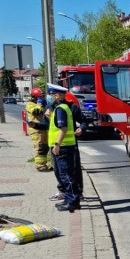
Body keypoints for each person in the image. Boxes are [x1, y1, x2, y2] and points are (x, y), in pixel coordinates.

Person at [46, 84, 81, 212]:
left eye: (52, 95)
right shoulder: (60, 108)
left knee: (66, 175)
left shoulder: (61, 108)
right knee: (63, 175)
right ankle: (68, 199)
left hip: (63, 147)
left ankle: (73, 201)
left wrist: (57, 144)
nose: (50, 97)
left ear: (58, 95)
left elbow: (63, 128)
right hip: (64, 146)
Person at [25, 87, 51, 172]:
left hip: (43, 128)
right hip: (36, 131)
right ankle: (40, 165)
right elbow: (36, 112)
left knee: (44, 147)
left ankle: (44, 164)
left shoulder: (42, 104)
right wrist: (39, 103)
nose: (42, 98)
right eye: (40, 96)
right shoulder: (30, 104)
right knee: (39, 147)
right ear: (35, 97)